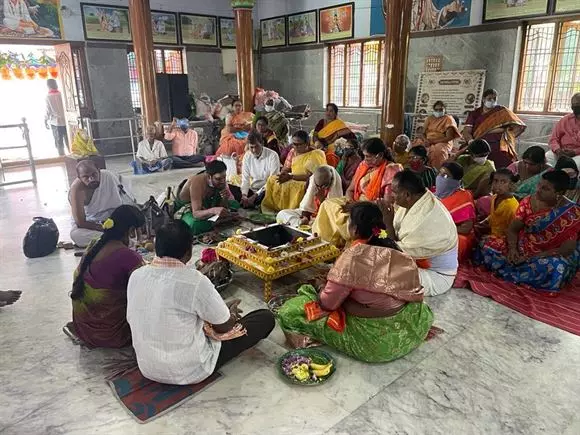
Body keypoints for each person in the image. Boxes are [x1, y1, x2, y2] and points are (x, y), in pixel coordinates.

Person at [277, 202, 433, 363]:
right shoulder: (393, 247)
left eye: (348, 221)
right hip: (412, 325)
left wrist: (320, 286)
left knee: (290, 311)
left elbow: (327, 304)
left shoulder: (353, 258)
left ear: (355, 229)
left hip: (375, 343)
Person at [127, 220, 275, 384]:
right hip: (189, 370)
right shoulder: (195, 281)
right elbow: (224, 326)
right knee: (264, 317)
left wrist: (218, 312)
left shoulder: (136, 275)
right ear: (189, 252)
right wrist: (231, 314)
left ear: (156, 247)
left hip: (147, 367)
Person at [475, 171, 580, 292]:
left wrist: (530, 258)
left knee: (556, 268)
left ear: (559, 193)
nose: (538, 190)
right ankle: (521, 271)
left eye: (545, 189)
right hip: (522, 245)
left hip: (548, 254)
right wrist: (513, 249)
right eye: (539, 185)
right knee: (486, 243)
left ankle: (517, 270)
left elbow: (566, 249)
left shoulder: (573, 213)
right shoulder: (528, 201)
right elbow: (513, 230)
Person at [65, 205, 145, 348]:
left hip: (84, 329)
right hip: (111, 335)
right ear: (131, 231)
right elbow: (147, 289)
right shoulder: (128, 256)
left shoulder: (94, 244)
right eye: (139, 232)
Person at [313, 138, 403, 247]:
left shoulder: (391, 169)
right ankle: (326, 244)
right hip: (356, 201)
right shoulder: (363, 165)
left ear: (379, 155)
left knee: (348, 217)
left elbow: (386, 203)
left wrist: (356, 206)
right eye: (364, 156)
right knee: (328, 205)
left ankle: (345, 245)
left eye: (368, 156)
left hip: (374, 209)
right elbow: (350, 190)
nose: (365, 159)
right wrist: (350, 201)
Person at [382, 170, 459, 296]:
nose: (391, 195)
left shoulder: (428, 219)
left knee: (381, 273)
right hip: (412, 262)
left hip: (436, 276)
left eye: (395, 192)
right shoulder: (417, 200)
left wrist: (387, 223)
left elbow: (395, 252)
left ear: (407, 195)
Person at [69, 161, 133, 248]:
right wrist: (104, 228)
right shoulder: (77, 189)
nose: (91, 179)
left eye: (94, 174)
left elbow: (121, 203)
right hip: (90, 223)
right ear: (79, 178)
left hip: (112, 218)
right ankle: (114, 239)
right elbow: (80, 222)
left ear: (99, 171)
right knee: (76, 235)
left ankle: (109, 240)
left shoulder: (108, 176)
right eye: (86, 177)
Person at [261, 130, 326, 213]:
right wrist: (283, 175)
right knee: (272, 179)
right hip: (292, 177)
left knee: (297, 186)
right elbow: (286, 168)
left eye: (299, 144)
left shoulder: (315, 154)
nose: (296, 147)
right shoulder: (292, 151)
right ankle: (275, 208)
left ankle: (293, 211)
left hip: (306, 181)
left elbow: (314, 177)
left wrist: (291, 177)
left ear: (307, 143)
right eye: (294, 144)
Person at [462, 88, 526, 168]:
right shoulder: (475, 113)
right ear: (483, 99)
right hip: (477, 141)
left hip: (498, 141)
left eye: (494, 99)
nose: (492, 101)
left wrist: (499, 130)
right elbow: (467, 131)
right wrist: (471, 141)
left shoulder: (502, 111)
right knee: (464, 155)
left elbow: (517, 126)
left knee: (501, 153)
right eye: (489, 99)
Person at [174, 160, 240, 235]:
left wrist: (224, 199)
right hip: (189, 207)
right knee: (194, 225)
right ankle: (219, 222)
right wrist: (214, 210)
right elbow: (196, 214)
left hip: (208, 204)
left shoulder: (221, 181)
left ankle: (216, 221)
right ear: (209, 177)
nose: (223, 181)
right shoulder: (197, 182)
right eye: (218, 179)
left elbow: (223, 206)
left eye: (224, 177)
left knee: (235, 204)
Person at [436, 162, 476, 263]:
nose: (440, 178)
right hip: (435, 230)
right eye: (439, 174)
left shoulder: (464, 196)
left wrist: (443, 231)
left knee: (459, 242)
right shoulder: (433, 194)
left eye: (445, 176)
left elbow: (466, 228)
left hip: (455, 233)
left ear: (455, 181)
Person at [277, 165, 343, 227]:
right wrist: (304, 218)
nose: (320, 188)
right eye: (318, 186)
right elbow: (306, 206)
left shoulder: (335, 185)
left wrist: (321, 199)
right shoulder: (313, 182)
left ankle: (299, 225)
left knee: (326, 225)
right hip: (311, 217)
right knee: (282, 213)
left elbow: (332, 214)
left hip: (323, 218)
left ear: (331, 180)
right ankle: (299, 224)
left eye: (324, 185)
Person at [228, 130, 280, 208]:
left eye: (256, 146)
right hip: (252, 190)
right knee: (230, 187)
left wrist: (255, 196)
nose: (254, 150)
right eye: (251, 147)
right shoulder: (247, 156)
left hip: (266, 190)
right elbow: (245, 178)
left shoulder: (273, 156)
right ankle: (248, 202)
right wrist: (244, 195)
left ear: (262, 143)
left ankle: (253, 203)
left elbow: (272, 181)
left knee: (270, 192)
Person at [474, 169, 520, 256]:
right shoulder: (495, 197)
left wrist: (494, 236)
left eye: (503, 182)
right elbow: (493, 215)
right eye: (495, 181)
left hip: (505, 239)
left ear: (510, 185)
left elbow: (512, 231)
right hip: (492, 233)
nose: (498, 185)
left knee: (484, 243)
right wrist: (484, 222)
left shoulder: (511, 206)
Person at [312, 103, 356, 167]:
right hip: (318, 144)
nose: (328, 113)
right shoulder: (321, 122)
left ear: (335, 113)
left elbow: (351, 136)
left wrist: (336, 136)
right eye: (327, 110)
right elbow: (315, 134)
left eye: (331, 111)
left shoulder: (339, 124)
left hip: (331, 146)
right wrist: (317, 142)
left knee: (329, 156)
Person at [421, 101, 461, 169]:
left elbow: (449, 137)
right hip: (428, 140)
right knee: (417, 146)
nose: (438, 111)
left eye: (440, 110)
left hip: (443, 141)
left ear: (444, 110)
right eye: (436, 110)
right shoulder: (430, 118)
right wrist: (425, 140)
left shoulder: (448, 119)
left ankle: (436, 171)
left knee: (438, 151)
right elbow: (423, 133)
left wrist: (433, 142)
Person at [216, 99, 253, 169]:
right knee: (231, 145)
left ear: (242, 107)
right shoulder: (230, 116)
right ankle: (232, 165)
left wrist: (244, 129)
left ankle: (244, 163)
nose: (238, 107)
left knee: (248, 142)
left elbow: (252, 126)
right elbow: (229, 129)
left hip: (245, 134)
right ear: (232, 107)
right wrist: (242, 128)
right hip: (231, 134)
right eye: (236, 106)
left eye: (240, 105)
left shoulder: (248, 115)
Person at [546, 93, 580, 167]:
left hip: (578, 154)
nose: (576, 107)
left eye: (578, 104)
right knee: (547, 158)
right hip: (561, 151)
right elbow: (553, 139)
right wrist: (558, 150)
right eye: (573, 104)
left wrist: (574, 152)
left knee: (576, 164)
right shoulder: (565, 119)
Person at [44, 79, 69, 156]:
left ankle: (62, 156)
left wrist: (45, 120)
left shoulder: (48, 96)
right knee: (69, 140)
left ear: (48, 86)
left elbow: (48, 111)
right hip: (67, 121)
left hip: (55, 122)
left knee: (58, 141)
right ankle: (72, 157)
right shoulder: (62, 94)